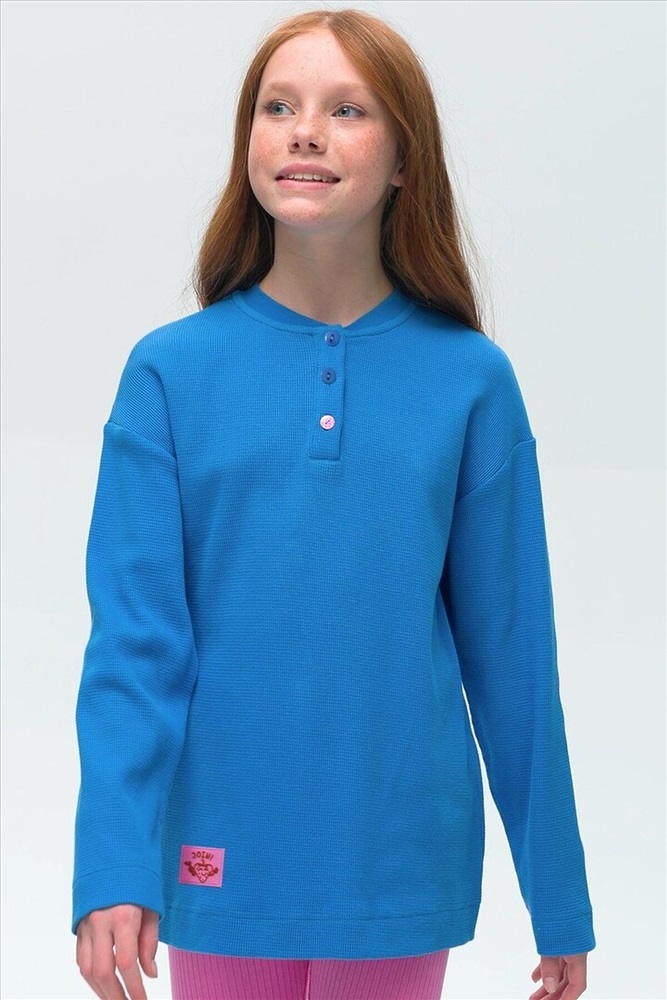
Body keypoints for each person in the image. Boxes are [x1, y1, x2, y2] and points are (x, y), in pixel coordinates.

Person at [72, 7, 596, 1000]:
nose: (304, 131)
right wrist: (111, 864)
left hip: (399, 862)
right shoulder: (169, 376)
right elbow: (135, 651)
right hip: (217, 855)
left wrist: (557, 895)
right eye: (277, 107)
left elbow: (514, 660)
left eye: (345, 110)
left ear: (404, 159)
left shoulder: (470, 382)